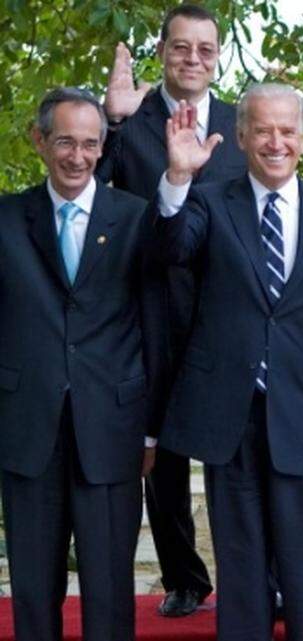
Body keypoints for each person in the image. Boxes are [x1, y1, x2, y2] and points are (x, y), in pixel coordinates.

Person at [152, 83, 303, 641]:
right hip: (230, 419)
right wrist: (179, 177)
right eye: (262, 129)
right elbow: (170, 250)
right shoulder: (208, 202)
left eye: (286, 130)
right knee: (243, 570)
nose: (275, 141)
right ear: (241, 136)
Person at [95, 3, 247, 617]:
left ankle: (259, 573)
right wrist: (112, 121)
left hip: (226, 309)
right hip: (148, 307)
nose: (192, 59)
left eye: (205, 49)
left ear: (218, 57)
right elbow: (84, 181)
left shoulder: (243, 123)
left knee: (238, 448)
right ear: (162, 52)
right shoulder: (129, 119)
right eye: (181, 47)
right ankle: (185, 577)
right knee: (159, 453)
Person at [0, 87, 162, 641]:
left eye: (90, 144)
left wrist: (151, 428)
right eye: (65, 141)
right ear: (39, 142)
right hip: (26, 429)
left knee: (111, 588)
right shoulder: (5, 219)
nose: (77, 156)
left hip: (112, 430)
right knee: (32, 587)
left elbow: (155, 325)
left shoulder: (137, 219)